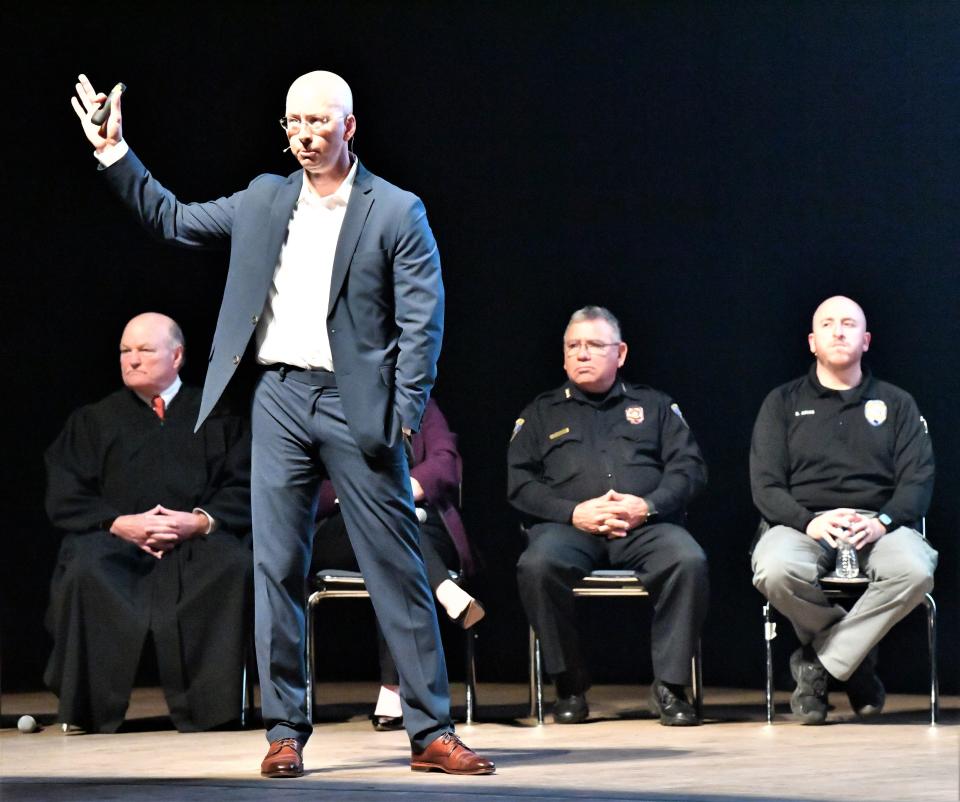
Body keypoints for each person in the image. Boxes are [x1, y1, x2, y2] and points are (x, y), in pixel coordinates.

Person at [71, 71, 493, 776]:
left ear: (349, 127)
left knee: (396, 568)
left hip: (357, 404)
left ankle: (431, 731)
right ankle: (285, 732)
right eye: (294, 123)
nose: (305, 136)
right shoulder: (265, 199)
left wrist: (401, 417)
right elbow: (172, 218)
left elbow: (424, 323)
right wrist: (115, 152)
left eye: (319, 124)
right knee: (276, 568)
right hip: (279, 399)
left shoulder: (394, 210)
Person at [44, 313, 252, 734]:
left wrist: (197, 522)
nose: (132, 360)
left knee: (235, 565)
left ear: (176, 356)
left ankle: (214, 709)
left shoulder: (216, 414)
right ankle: (89, 709)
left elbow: (245, 483)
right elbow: (66, 493)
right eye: (125, 351)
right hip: (117, 543)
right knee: (85, 567)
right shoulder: (93, 421)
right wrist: (119, 523)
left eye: (144, 350)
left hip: (196, 542)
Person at [508, 306, 709, 726]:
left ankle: (671, 687)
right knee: (537, 565)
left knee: (688, 560)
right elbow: (519, 485)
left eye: (594, 345)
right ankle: (569, 683)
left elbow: (689, 469)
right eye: (573, 346)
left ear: (620, 353)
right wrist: (573, 512)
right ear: (563, 356)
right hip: (570, 529)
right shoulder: (541, 412)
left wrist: (646, 506)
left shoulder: (654, 406)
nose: (582, 354)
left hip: (644, 526)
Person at [750, 295, 937, 725]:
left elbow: (918, 482)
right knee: (775, 569)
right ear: (812, 342)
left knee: (915, 569)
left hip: (879, 524)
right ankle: (855, 662)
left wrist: (883, 523)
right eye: (829, 325)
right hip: (803, 522)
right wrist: (809, 521)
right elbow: (765, 485)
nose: (839, 331)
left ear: (866, 340)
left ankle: (818, 666)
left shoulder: (897, 403)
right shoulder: (781, 403)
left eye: (849, 324)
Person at [312, 398, 483, 731]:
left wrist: (399, 492)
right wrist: (370, 496)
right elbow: (308, 482)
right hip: (343, 525)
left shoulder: (420, 404)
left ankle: (393, 692)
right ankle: (445, 589)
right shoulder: (329, 403)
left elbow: (445, 462)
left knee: (393, 545)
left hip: (418, 517)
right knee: (383, 526)